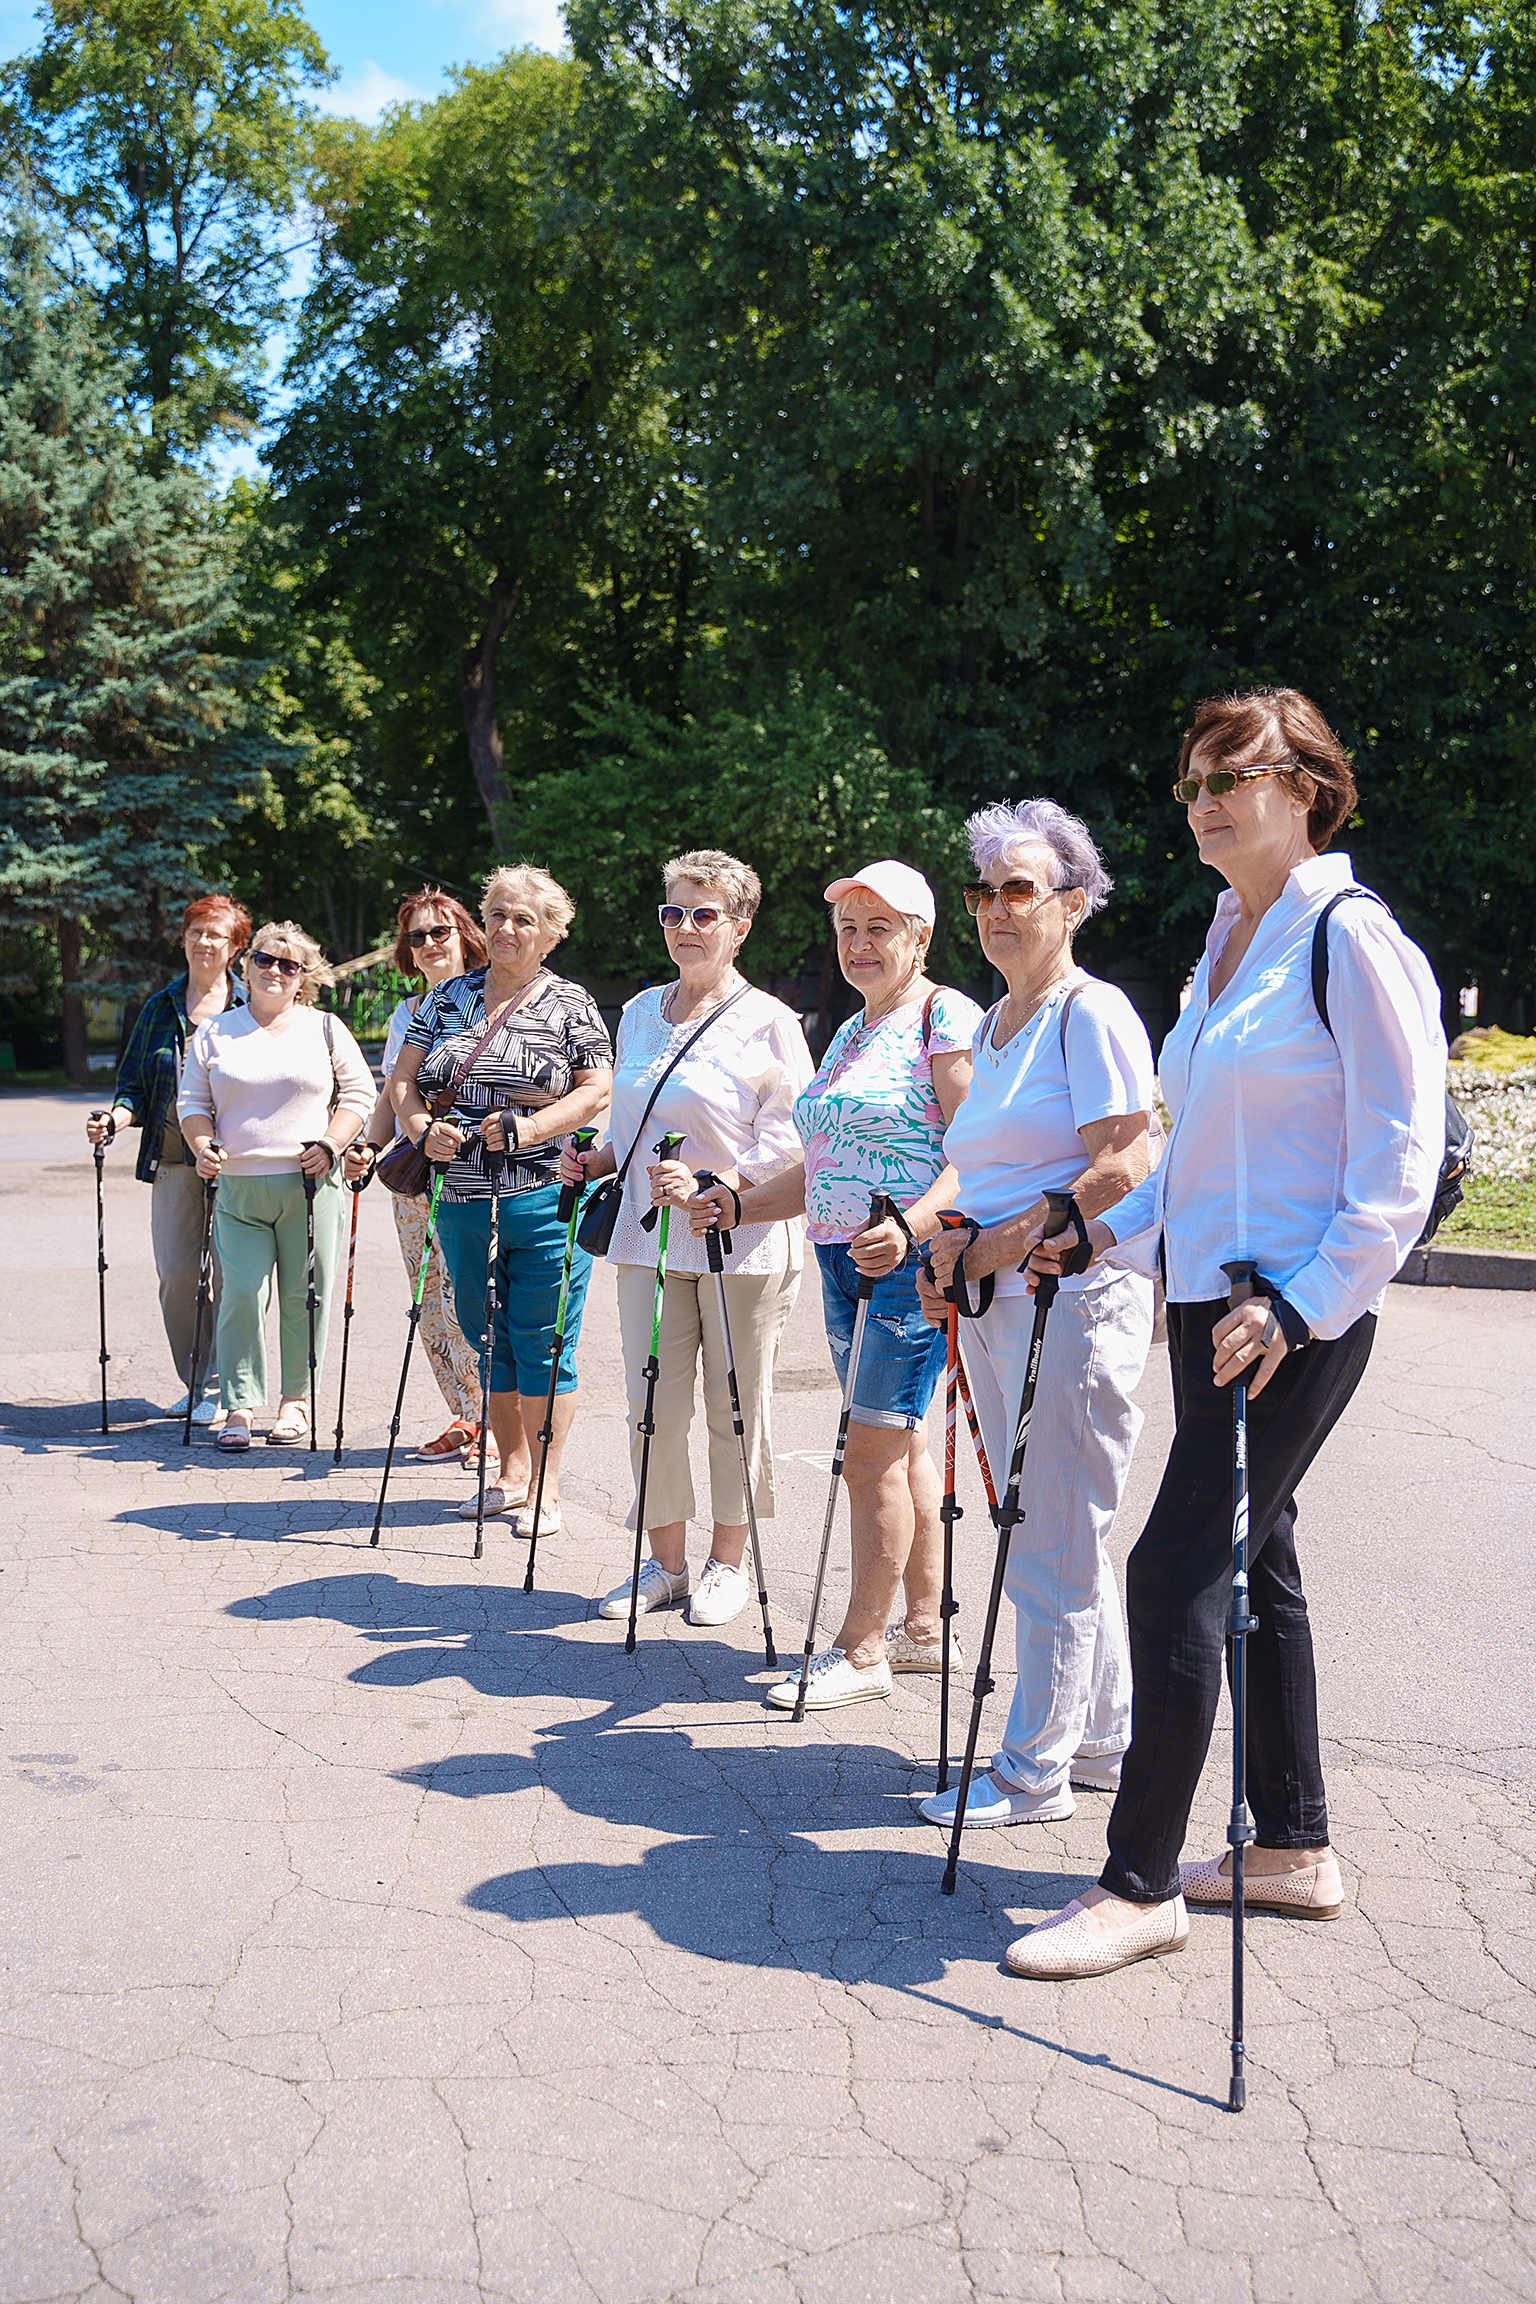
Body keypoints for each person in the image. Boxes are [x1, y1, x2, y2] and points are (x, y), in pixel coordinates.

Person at [1005, 687, 1447, 1980]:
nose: (1203, 800)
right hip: (1209, 1299)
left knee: (1176, 1571)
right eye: (1192, 779)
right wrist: (1100, 1237)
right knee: (1261, 1567)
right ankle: (1291, 1845)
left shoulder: (1349, 936)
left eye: (1231, 776)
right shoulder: (1226, 938)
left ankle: (1139, 1881)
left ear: (1306, 785)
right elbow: (1200, 1152)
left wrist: (1307, 1301)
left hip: (1291, 1312)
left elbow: (1399, 1155)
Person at [909, 801, 1156, 1825]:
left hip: (1075, 1303)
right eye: (985, 891)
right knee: (1058, 1528)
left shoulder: (1089, 1011)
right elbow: (994, 1164)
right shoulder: (1000, 1024)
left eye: (1021, 889)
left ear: (1075, 901)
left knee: (1050, 1536)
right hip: (999, 1306)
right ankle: (1100, 1740)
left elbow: (1128, 1160)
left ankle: (1031, 1770)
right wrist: (947, 1246)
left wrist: (997, 1246)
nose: (998, 909)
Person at [696, 859, 983, 1711]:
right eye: (848, 930)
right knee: (902, 1446)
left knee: (868, 1455)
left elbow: (979, 1151)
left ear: (921, 938)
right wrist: (740, 1202)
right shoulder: (857, 1028)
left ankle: (860, 1651)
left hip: (905, 1265)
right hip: (838, 1259)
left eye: (879, 929)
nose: (859, 945)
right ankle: (924, 1629)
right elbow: (823, 1170)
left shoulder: (943, 1015)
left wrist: (913, 1228)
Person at [560, 851, 813, 1627]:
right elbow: (634, 1122)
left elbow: (796, 1140)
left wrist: (718, 1185)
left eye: (704, 914)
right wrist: (599, 1157)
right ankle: (664, 1563)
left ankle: (725, 1564)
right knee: (651, 1404)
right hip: (647, 1242)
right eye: (674, 913)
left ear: (738, 927)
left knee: (736, 1405)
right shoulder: (638, 1012)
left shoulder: (769, 1020)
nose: (687, 928)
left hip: (740, 1244)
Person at [393, 865, 613, 1528]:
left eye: (525, 919)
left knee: (542, 1339)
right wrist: (421, 1129)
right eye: (498, 915)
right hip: (459, 1196)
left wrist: (533, 1126)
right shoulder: (447, 999)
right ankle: (510, 1472)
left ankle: (543, 1486)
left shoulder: (570, 1004)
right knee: (483, 1331)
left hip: (543, 1192)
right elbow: (403, 1081)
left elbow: (597, 1090)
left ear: (551, 932)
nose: (508, 929)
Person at [178, 922, 376, 1449]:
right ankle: (239, 1405)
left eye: (289, 966)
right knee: (240, 1294)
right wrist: (203, 1149)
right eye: (266, 960)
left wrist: (332, 1144)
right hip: (239, 1189)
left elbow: (359, 1095)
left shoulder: (327, 1028)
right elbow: (192, 1106)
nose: (275, 971)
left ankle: (296, 1401)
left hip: (310, 1186)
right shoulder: (215, 1033)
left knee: (305, 1296)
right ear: (246, 965)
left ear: (303, 977)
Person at [86, 893, 252, 1423]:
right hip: (175, 1161)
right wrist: (113, 1119)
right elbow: (133, 1086)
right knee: (178, 1276)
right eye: (196, 932)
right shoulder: (160, 1008)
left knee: (234, 1276)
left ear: (235, 946)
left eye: (217, 935)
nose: (205, 943)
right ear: (183, 940)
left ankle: (229, 1386)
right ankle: (197, 1380)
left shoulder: (250, 1007)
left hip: (239, 1162)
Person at [347, 889, 488, 1464]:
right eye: (416, 936)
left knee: (476, 1296)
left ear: (464, 935)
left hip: (474, 1172)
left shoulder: (492, 1000)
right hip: (413, 1175)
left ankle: (500, 1420)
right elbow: (392, 1093)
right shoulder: (408, 1012)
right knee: (428, 1297)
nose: (429, 944)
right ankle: (468, 1413)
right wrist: (369, 1145)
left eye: (440, 932)